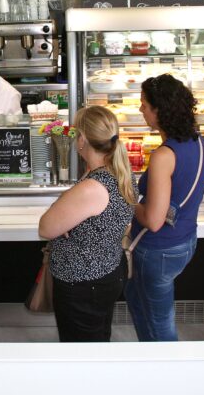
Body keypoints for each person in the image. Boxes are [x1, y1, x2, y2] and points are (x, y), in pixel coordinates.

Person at [38, 106, 136, 342]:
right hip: (106, 270)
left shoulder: (93, 186)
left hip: (83, 283)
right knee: (97, 340)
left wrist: (66, 213)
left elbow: (46, 227)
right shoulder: (119, 172)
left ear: (82, 139)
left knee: (81, 349)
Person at [124, 74, 204, 342]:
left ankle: (168, 374)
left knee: (159, 322)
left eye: (145, 105)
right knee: (139, 302)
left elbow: (154, 219)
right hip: (185, 239)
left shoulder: (163, 155)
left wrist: (128, 199)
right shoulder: (196, 140)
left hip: (158, 249)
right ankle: (153, 363)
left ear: (160, 110)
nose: (141, 110)